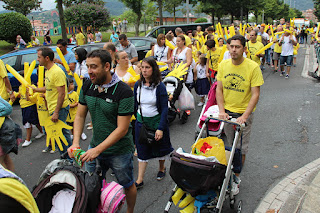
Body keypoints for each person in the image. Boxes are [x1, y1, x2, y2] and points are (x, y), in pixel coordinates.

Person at [67, 49, 137, 213]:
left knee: (127, 185)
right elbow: (79, 116)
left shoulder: (124, 92)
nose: (89, 71)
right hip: (95, 147)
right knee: (90, 186)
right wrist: (76, 143)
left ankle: (130, 211)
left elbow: (122, 129)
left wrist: (96, 150)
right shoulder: (87, 85)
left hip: (119, 151)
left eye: (93, 67)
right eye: (87, 66)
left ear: (107, 66)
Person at [216, 35, 264, 195]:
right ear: (228, 47)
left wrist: (245, 115)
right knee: (230, 144)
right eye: (231, 46)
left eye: (237, 47)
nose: (234, 50)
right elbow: (219, 89)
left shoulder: (252, 67)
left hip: (244, 113)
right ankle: (229, 170)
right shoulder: (223, 65)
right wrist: (221, 110)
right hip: (227, 113)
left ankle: (236, 177)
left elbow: (255, 94)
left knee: (241, 148)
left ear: (244, 48)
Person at [133, 57, 173, 189]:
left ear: (153, 69)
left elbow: (164, 108)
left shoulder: (160, 86)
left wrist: (161, 128)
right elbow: (135, 104)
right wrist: (136, 120)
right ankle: (140, 179)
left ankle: (162, 168)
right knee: (142, 149)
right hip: (142, 123)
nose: (144, 70)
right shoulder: (137, 85)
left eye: (147, 68)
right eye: (142, 68)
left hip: (157, 123)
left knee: (160, 148)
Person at [31, 47, 71, 156]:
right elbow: (48, 88)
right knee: (62, 133)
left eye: (39, 57)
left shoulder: (57, 72)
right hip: (53, 107)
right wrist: (35, 89)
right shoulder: (48, 71)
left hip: (59, 108)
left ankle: (68, 159)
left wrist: (56, 112)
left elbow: (61, 93)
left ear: (47, 58)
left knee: (60, 134)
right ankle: (69, 157)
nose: (37, 59)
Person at [16, 72, 44, 147]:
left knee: (28, 122)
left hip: (30, 106)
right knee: (34, 121)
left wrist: (28, 92)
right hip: (23, 106)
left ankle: (28, 139)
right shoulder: (21, 87)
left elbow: (33, 96)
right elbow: (20, 95)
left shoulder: (31, 86)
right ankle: (42, 131)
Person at [0, 97, 22, 171]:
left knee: (1, 162)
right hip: (5, 130)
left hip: (3, 130)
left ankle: (7, 180)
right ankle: (13, 179)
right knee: (5, 157)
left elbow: (8, 108)